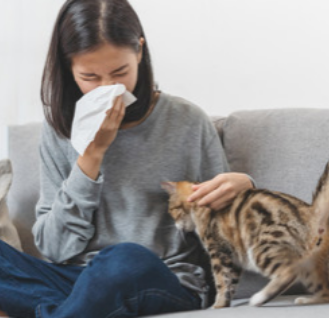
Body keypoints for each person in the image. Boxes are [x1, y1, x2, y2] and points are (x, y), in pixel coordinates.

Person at [0, 0, 253, 317]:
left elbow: (223, 236)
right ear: (69, 69)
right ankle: (72, 311)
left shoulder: (187, 120)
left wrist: (244, 189)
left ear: (140, 53)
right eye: (90, 76)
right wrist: (91, 157)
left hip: (161, 278)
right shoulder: (58, 130)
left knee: (123, 259)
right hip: (77, 280)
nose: (108, 88)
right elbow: (55, 248)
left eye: (120, 72)